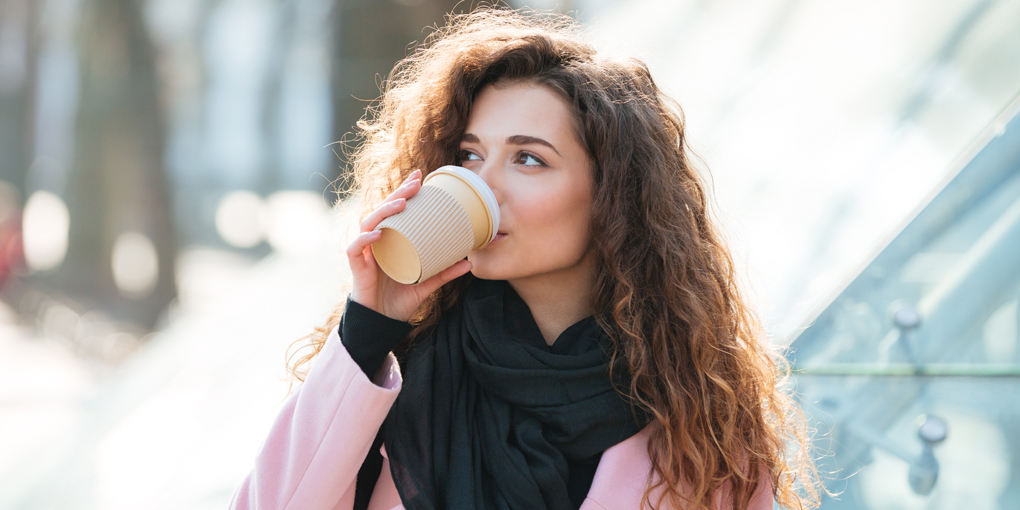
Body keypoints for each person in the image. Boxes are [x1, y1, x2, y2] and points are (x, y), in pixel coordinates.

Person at [231, 7, 820, 510]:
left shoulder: (700, 424)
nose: (483, 187)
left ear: (612, 196)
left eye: (528, 160)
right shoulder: (404, 372)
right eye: (469, 154)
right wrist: (367, 328)